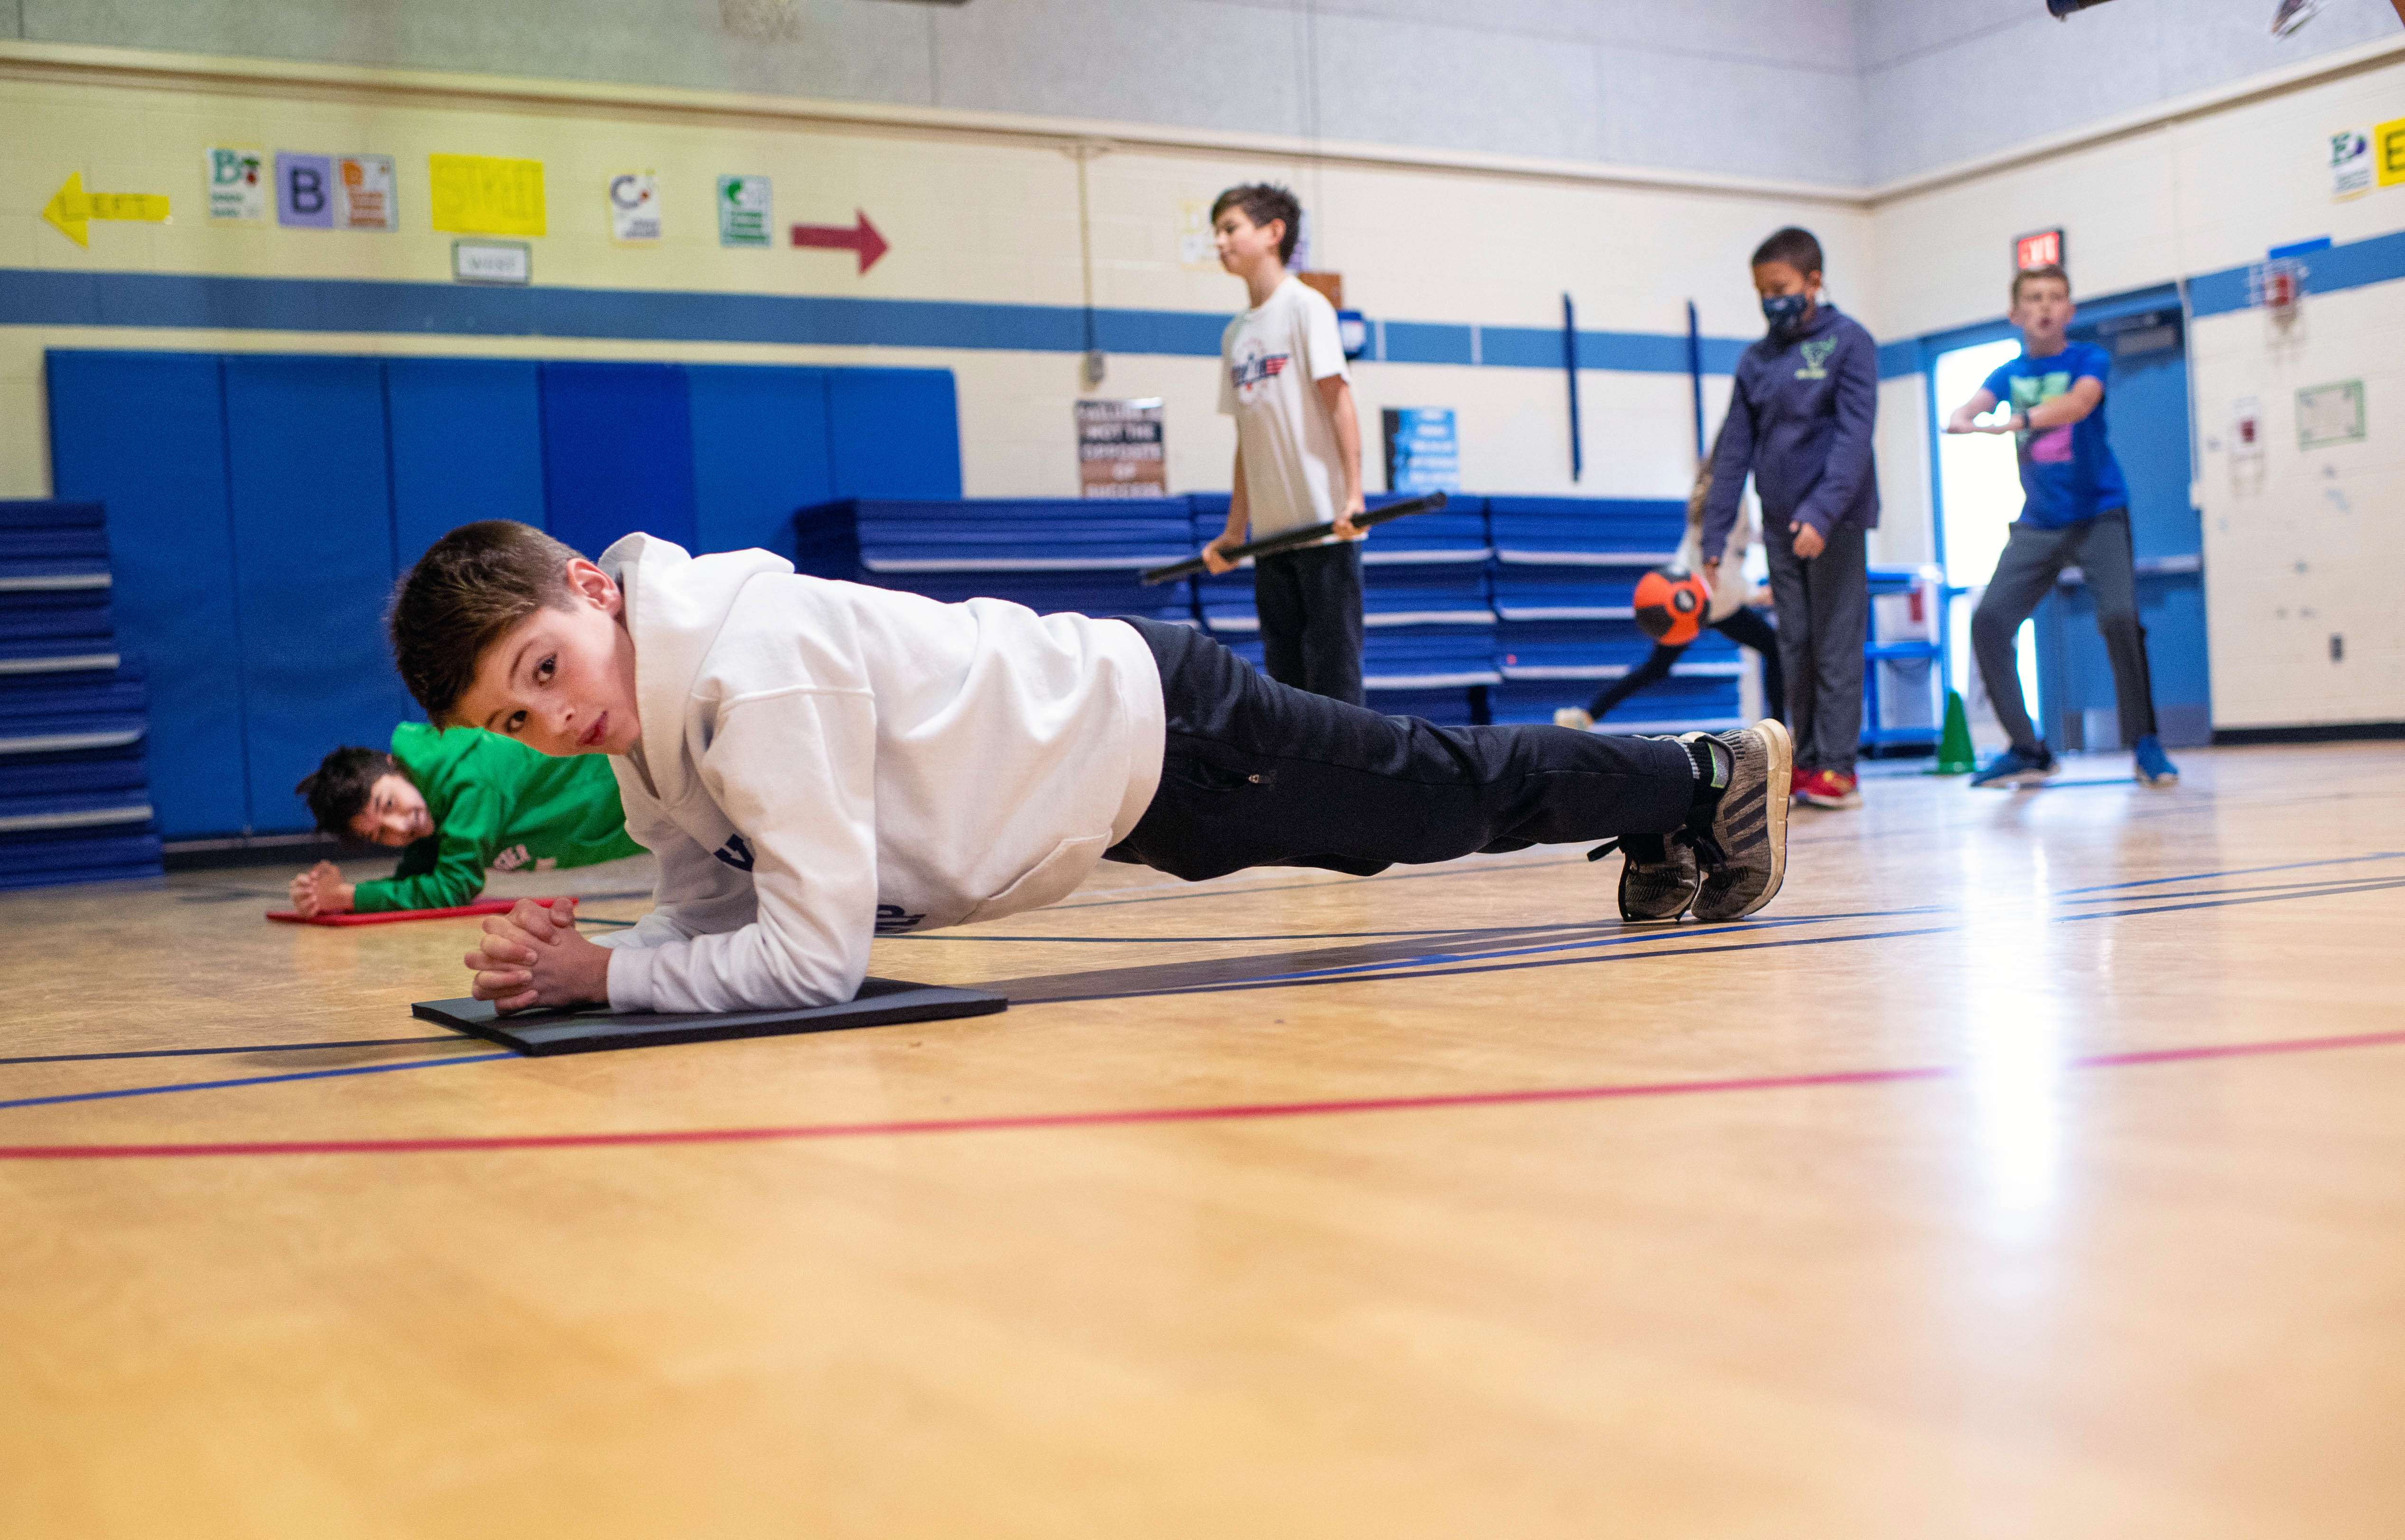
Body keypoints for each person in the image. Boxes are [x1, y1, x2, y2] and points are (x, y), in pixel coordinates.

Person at [386, 522, 1795, 1015]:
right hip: (1118, 785)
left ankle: (1704, 772)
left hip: (1165, 735)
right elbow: (709, 908)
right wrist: (607, 953)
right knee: (1420, 806)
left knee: (1440, 792)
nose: (554, 724)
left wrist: (615, 978)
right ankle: (1675, 795)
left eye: (544, 671)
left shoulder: (751, 667)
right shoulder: (653, 705)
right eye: (514, 722)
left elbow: (810, 960)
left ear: (593, 589)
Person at [1944, 263, 2178, 790]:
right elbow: (1977, 402)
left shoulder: (2088, 359)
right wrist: (1962, 415)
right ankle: (2027, 747)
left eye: (2055, 298)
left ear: (2069, 312)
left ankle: (2145, 744)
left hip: (2099, 514)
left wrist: (2018, 421)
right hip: (2039, 524)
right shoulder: (2007, 374)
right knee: (1989, 622)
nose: (2045, 306)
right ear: (2016, 313)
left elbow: (2079, 403)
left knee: (2120, 617)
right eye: (2034, 298)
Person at [1700, 226, 1879, 811]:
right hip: (1778, 525)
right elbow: (1732, 453)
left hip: (1834, 520)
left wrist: (1821, 513)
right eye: (1761, 291)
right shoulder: (1756, 360)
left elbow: (1854, 438)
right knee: (1794, 645)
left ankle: (1839, 768)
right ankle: (1803, 763)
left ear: (1813, 281)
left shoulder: (1849, 342)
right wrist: (1715, 536)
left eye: (1779, 287)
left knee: (1834, 643)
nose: (1770, 300)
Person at [1199, 183, 1368, 705]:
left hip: (1324, 530)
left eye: (1231, 229)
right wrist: (1234, 530)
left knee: (1335, 683)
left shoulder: (1306, 307)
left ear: (1273, 233)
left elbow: (1339, 401)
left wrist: (1354, 496)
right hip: (1271, 540)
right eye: (1217, 233)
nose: (1220, 242)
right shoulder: (1234, 334)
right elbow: (1246, 440)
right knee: (1285, 685)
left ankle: (1349, 785)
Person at [286, 723, 644, 916]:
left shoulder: (466, 778)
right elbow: (420, 877)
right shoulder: (429, 799)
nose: (400, 826)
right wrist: (325, 896)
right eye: (380, 834)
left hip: (638, 781)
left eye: (389, 803)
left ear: (394, 765)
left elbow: (454, 886)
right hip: (633, 811)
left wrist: (349, 897)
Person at [1556, 461, 1783, 733]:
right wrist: (1754, 594)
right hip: (1697, 602)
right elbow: (1716, 564)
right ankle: (1778, 730)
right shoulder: (1725, 497)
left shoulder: (1714, 490)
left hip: (1703, 599)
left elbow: (1734, 545)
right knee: (1773, 647)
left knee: (1657, 668)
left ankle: (1589, 716)